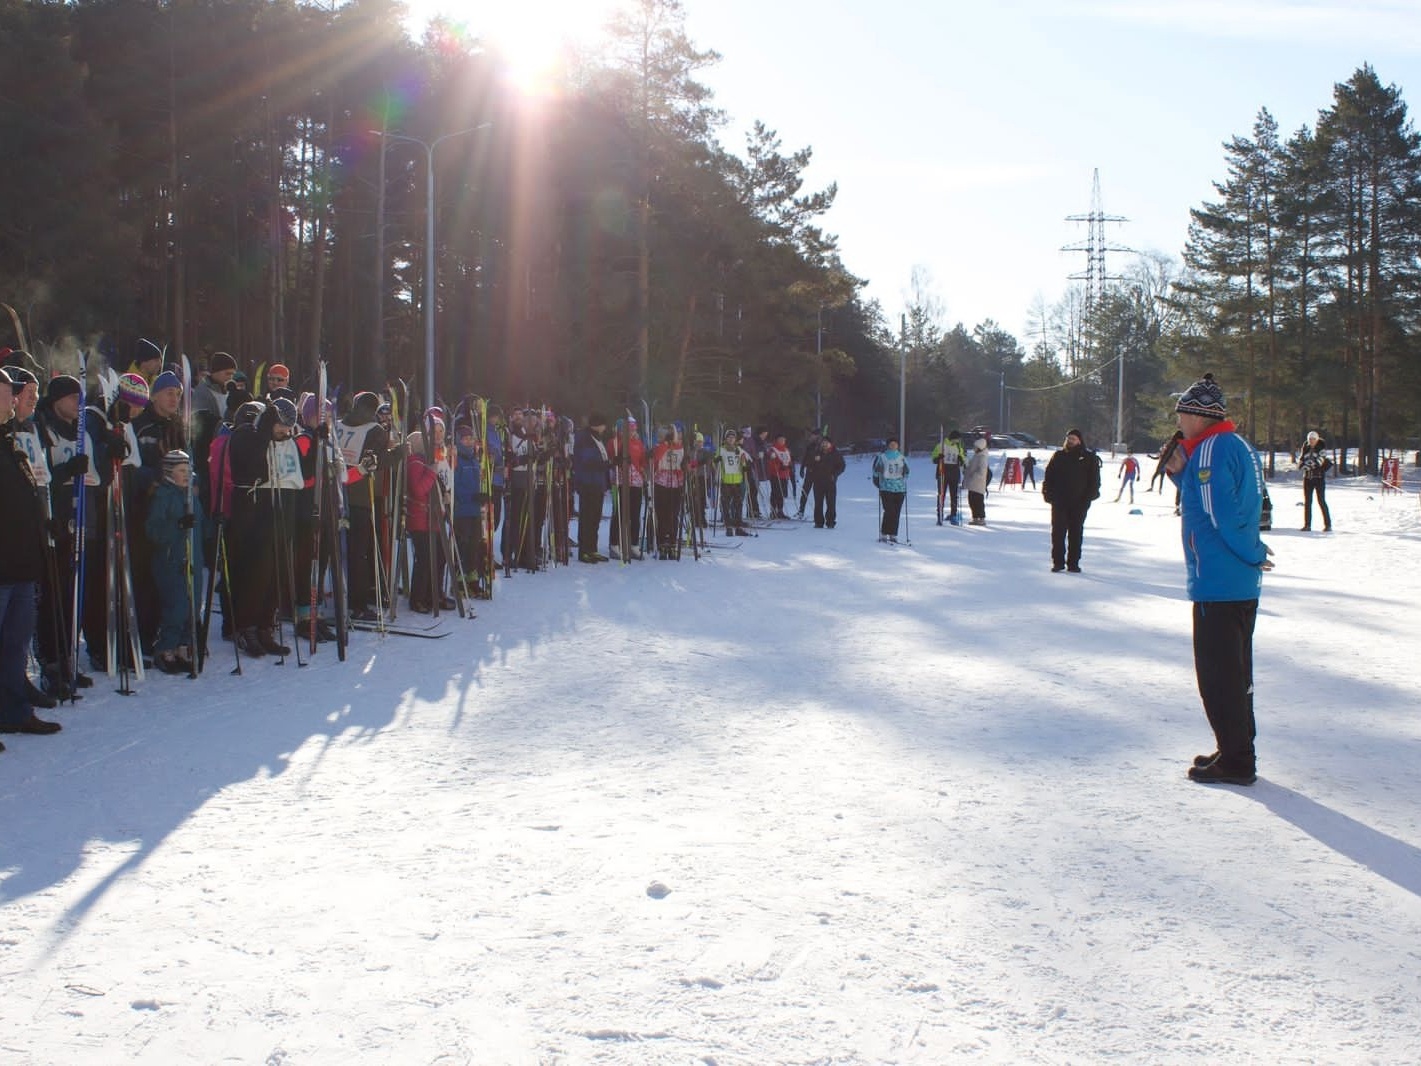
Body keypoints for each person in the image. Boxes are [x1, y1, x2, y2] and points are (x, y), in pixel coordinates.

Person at [1165, 373, 1269, 787]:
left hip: (1220, 580)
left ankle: (1238, 760)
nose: (1177, 419)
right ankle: (1237, 747)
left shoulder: (1209, 450)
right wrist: (1181, 475)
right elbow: (1231, 502)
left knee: (1218, 675)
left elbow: (1221, 515)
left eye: (1181, 412)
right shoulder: (1233, 445)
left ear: (1197, 415)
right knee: (1237, 672)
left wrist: (1253, 554)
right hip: (1235, 580)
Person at [0, 366, 61, 738]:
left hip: (22, 562)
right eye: (8, 392)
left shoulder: (11, 440)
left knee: (15, 646)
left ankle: (14, 711)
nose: (15, 398)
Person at [144, 450, 203, 674]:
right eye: (181, 471)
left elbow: (199, 523)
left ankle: (182, 646)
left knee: (192, 605)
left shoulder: (190, 495)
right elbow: (153, 530)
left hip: (193, 557)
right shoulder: (164, 496)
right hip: (172, 559)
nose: (186, 475)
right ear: (169, 473)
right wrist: (177, 525)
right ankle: (165, 648)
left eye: (188, 470)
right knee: (176, 606)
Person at [1042, 428, 1101, 572]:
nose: (1070, 441)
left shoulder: (1089, 458)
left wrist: (1088, 498)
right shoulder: (1058, 456)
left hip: (1079, 502)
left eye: (1073, 439)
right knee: (1058, 533)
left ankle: (1073, 563)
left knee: (1075, 533)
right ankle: (1058, 562)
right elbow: (1048, 477)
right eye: (1069, 439)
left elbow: (1094, 481)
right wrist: (1048, 494)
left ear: (1079, 441)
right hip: (1059, 501)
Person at [572, 413, 610, 563]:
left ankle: (592, 548)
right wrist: (604, 464)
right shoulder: (585, 438)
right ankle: (584, 550)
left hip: (597, 483)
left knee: (595, 517)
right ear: (597, 425)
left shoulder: (597, 438)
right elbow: (586, 460)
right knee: (587, 517)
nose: (605, 428)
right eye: (603, 425)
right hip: (588, 483)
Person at [714, 429, 753, 535]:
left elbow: (744, 462)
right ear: (726, 439)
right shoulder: (721, 449)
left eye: (733, 437)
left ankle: (738, 527)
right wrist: (717, 460)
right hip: (726, 481)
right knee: (726, 505)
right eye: (729, 437)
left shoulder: (739, 449)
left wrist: (745, 466)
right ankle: (728, 527)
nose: (731, 439)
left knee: (738, 505)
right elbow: (714, 462)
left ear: (735, 439)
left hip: (737, 481)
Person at [872, 437, 909, 542]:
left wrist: (906, 473)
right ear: (888, 445)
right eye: (891, 444)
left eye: (895, 444)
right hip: (886, 487)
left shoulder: (901, 457)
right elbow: (875, 471)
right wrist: (877, 475)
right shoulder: (882, 457)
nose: (893, 445)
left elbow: (907, 472)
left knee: (896, 512)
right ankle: (884, 532)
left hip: (899, 488)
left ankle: (893, 534)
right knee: (889, 510)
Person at [805, 435, 846, 529]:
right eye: (823, 443)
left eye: (826, 443)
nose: (824, 444)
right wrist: (814, 461)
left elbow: (842, 466)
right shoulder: (817, 453)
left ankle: (830, 521)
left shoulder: (835, 453)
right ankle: (818, 522)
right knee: (818, 503)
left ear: (830, 444)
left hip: (830, 482)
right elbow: (809, 464)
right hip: (818, 482)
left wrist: (834, 474)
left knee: (831, 503)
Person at [1298, 430, 1332, 532]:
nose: (1311, 441)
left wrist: (1308, 465)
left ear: (1317, 440)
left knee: (1321, 501)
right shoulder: (1305, 448)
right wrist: (1305, 465)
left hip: (1319, 478)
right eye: (1310, 439)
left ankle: (1328, 524)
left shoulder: (1321, 448)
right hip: (1307, 478)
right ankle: (1307, 525)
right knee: (1308, 502)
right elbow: (1300, 463)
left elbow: (1319, 462)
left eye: (1313, 439)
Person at [932, 430, 966, 521]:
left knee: (954, 495)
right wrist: (938, 458)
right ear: (953, 438)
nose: (958, 441)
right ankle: (940, 514)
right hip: (943, 471)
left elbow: (962, 459)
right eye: (957, 439)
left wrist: (961, 460)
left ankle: (953, 514)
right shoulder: (941, 445)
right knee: (941, 494)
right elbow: (934, 458)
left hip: (954, 472)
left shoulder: (958, 447)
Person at [963, 437, 990, 525]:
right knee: (972, 501)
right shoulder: (976, 456)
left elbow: (982, 471)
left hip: (978, 483)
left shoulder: (982, 457)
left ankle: (981, 518)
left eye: (975, 447)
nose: (974, 448)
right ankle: (975, 517)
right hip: (972, 483)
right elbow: (971, 467)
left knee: (978, 501)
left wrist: (973, 476)